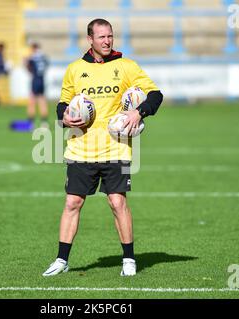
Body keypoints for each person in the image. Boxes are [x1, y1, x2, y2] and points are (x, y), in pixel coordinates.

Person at [42, 18, 163, 277]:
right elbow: (63, 103)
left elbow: (155, 94)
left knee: (117, 202)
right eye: (101, 37)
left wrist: (138, 113)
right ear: (90, 40)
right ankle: (61, 260)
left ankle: (129, 260)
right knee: (72, 202)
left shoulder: (126, 65)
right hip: (80, 148)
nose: (107, 41)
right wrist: (64, 117)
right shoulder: (75, 69)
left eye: (110, 36)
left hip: (116, 148)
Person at [25, 42, 49, 129]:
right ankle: (44, 123)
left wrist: (26, 62)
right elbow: (46, 66)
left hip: (35, 80)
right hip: (41, 80)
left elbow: (28, 67)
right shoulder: (43, 57)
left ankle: (31, 123)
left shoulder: (32, 57)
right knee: (42, 101)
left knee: (32, 102)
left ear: (33, 48)